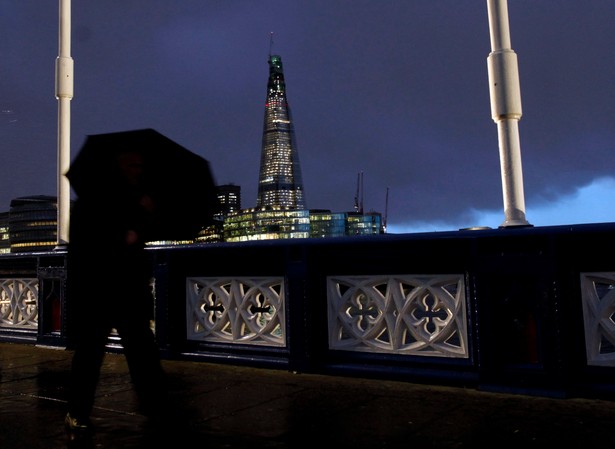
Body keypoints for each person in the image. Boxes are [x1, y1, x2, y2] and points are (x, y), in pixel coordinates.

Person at [64, 149, 168, 435]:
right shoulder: (92, 202)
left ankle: (155, 407)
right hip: (98, 291)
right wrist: (126, 234)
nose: (138, 170)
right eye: (133, 165)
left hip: (129, 291)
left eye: (140, 165)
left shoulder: (136, 199)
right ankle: (77, 412)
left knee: (143, 353)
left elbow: (142, 236)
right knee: (90, 355)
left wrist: (145, 216)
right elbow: (86, 245)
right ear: (120, 167)